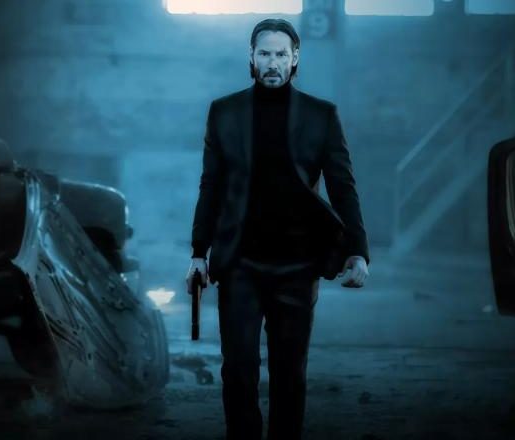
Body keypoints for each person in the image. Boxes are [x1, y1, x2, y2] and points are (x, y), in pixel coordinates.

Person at [186, 18, 370, 440]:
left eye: (281, 54)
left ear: (295, 59)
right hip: (239, 263)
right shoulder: (224, 112)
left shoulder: (322, 116)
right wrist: (198, 252)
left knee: (290, 373)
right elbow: (211, 184)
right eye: (264, 53)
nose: (272, 62)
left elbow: (343, 186)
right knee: (238, 370)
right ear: (251, 57)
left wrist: (358, 250)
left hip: (298, 264)